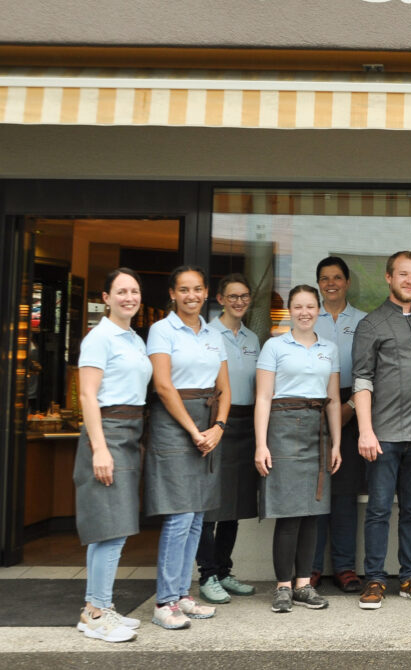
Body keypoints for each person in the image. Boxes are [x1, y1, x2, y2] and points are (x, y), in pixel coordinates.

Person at [352, 251, 411, 609]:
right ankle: (374, 580)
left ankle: (410, 578)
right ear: (388, 278)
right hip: (384, 434)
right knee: (379, 510)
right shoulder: (371, 324)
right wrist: (365, 431)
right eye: (403, 274)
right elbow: (362, 380)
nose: (409, 281)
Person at [146, 266, 231, 630]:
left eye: (197, 289)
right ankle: (164, 601)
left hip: (208, 424)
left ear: (207, 292)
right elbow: (164, 386)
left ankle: (182, 594)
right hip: (174, 424)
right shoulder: (161, 330)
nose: (191, 295)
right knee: (179, 515)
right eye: (184, 289)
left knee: (197, 515)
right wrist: (194, 429)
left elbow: (224, 387)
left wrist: (219, 427)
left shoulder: (214, 333)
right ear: (173, 293)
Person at [73, 268, 151, 642]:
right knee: (112, 530)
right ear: (105, 297)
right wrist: (99, 447)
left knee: (109, 529)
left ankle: (97, 606)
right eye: (121, 291)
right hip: (108, 433)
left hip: (130, 432)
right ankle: (96, 613)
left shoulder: (133, 338)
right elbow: (88, 394)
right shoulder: (99, 337)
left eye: (134, 291)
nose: (129, 297)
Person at [255, 284, 342, 613]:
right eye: (299, 306)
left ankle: (304, 585)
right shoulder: (274, 346)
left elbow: (332, 400)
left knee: (313, 514)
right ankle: (282, 586)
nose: (305, 312)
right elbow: (263, 397)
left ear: (318, 310)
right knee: (289, 513)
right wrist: (261, 444)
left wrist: (335, 443)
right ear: (290, 310)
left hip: (317, 432)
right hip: (282, 430)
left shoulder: (329, 348)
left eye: (311, 306)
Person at [197, 274, 260, 604]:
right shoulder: (207, 334)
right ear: (220, 299)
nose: (239, 301)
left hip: (246, 424)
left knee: (233, 505)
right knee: (210, 504)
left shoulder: (252, 338)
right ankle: (206, 573)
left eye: (244, 296)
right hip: (216, 421)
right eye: (232, 296)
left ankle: (223, 571)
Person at [311, 256, 367, 594]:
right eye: (324, 278)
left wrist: (349, 406)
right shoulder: (306, 318)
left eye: (336, 277)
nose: (330, 283)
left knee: (345, 491)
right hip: (313, 405)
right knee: (317, 489)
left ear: (347, 282)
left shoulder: (362, 321)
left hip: (351, 403)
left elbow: (369, 370)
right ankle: (313, 566)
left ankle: (345, 566)